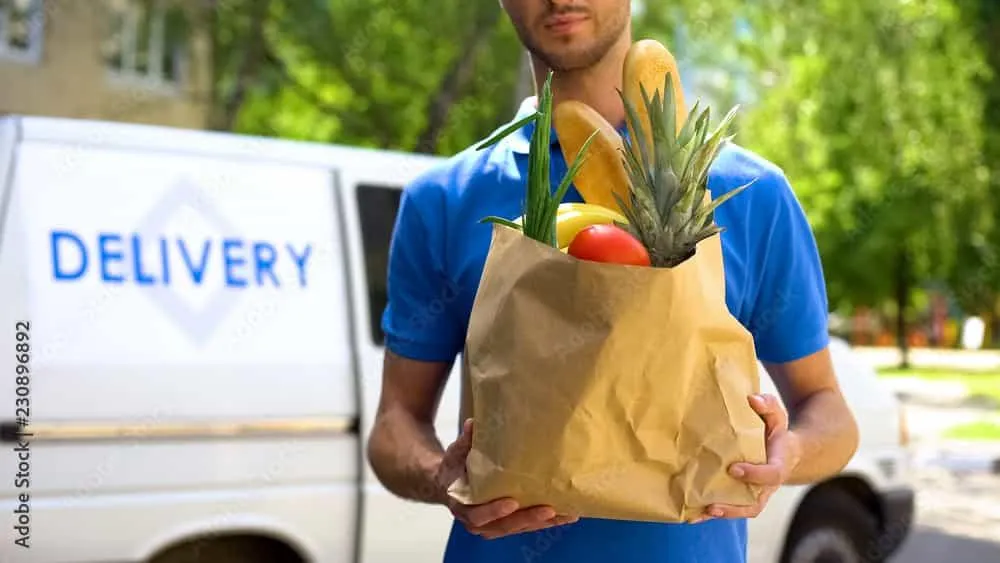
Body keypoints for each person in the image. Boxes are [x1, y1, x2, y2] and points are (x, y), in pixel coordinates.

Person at [366, 1, 860, 561]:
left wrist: (787, 454)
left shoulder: (750, 194)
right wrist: (442, 477)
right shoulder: (444, 199)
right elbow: (394, 425)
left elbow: (830, 413)